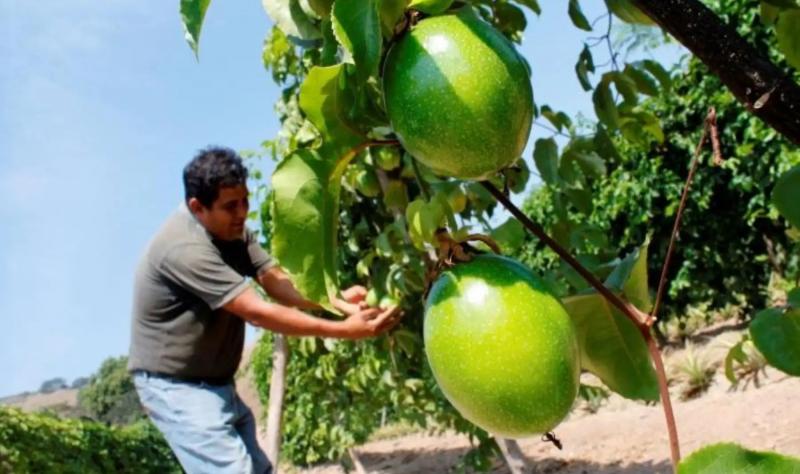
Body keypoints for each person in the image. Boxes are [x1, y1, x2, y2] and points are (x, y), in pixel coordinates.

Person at [127, 146, 399, 474]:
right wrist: (343, 330)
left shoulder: (232, 229)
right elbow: (257, 311)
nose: (242, 213)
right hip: (176, 387)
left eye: (245, 200)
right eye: (230, 206)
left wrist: (334, 299)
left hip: (215, 382)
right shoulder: (184, 249)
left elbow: (274, 281)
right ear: (197, 207)